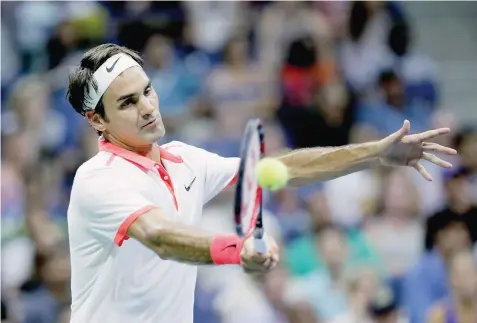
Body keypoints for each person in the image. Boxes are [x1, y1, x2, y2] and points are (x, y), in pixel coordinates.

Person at [66, 43, 456, 323]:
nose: (148, 107)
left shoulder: (187, 160)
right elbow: (159, 236)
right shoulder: (97, 179)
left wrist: (376, 154)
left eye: (148, 91)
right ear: (96, 120)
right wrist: (238, 249)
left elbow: (283, 168)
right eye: (128, 102)